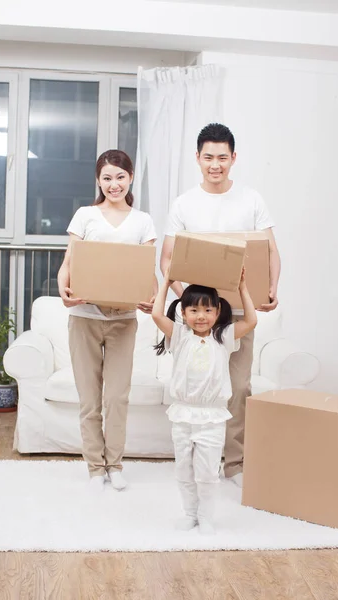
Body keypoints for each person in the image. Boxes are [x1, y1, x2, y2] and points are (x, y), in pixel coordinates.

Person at [160, 123, 281, 486]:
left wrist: (272, 287)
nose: (216, 164)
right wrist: (189, 301)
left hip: (239, 311)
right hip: (200, 316)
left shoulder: (251, 199)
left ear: (234, 158)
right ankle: (201, 460)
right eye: (209, 157)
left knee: (239, 386)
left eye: (223, 157)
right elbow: (167, 259)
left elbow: (271, 251)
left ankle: (235, 464)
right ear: (197, 158)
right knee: (201, 384)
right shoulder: (184, 203)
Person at [58, 150, 157, 492]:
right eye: (106, 178)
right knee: (89, 398)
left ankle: (115, 464)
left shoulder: (142, 221)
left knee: (116, 397)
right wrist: (63, 288)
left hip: (123, 319)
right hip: (84, 316)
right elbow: (69, 262)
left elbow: (148, 272)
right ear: (98, 181)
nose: (113, 184)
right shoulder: (86, 215)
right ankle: (94, 468)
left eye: (120, 177)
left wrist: (152, 297)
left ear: (130, 178)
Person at [152, 267, 257, 534]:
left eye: (208, 310)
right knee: (184, 470)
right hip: (183, 415)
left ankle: (206, 517)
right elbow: (155, 314)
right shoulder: (179, 336)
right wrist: (166, 283)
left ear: (218, 312)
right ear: (184, 314)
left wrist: (242, 287)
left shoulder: (223, 338)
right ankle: (189, 513)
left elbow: (251, 321)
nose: (201, 316)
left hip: (212, 416)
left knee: (208, 472)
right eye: (194, 311)